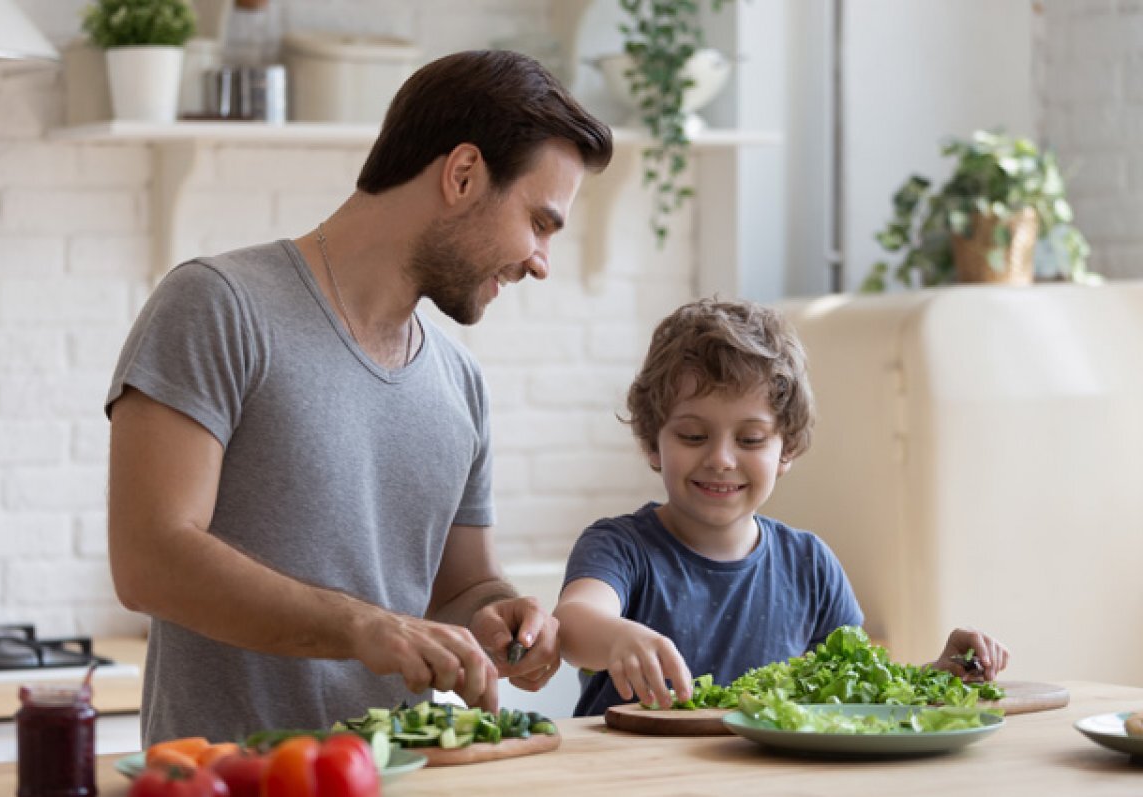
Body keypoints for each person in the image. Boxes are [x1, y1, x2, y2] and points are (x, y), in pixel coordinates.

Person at [104, 50, 613, 744]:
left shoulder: (459, 383)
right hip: (229, 783)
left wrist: (501, 615)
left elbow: (463, 588)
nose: (541, 261)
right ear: (462, 175)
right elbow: (149, 560)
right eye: (541, 221)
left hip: (399, 776)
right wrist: (362, 625)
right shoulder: (218, 305)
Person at [553, 298, 1010, 716]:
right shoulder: (619, 547)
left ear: (786, 449)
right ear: (653, 443)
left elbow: (862, 691)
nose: (721, 459)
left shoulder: (809, 565)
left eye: (750, 439)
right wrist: (618, 637)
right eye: (693, 436)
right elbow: (573, 624)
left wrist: (938, 675)